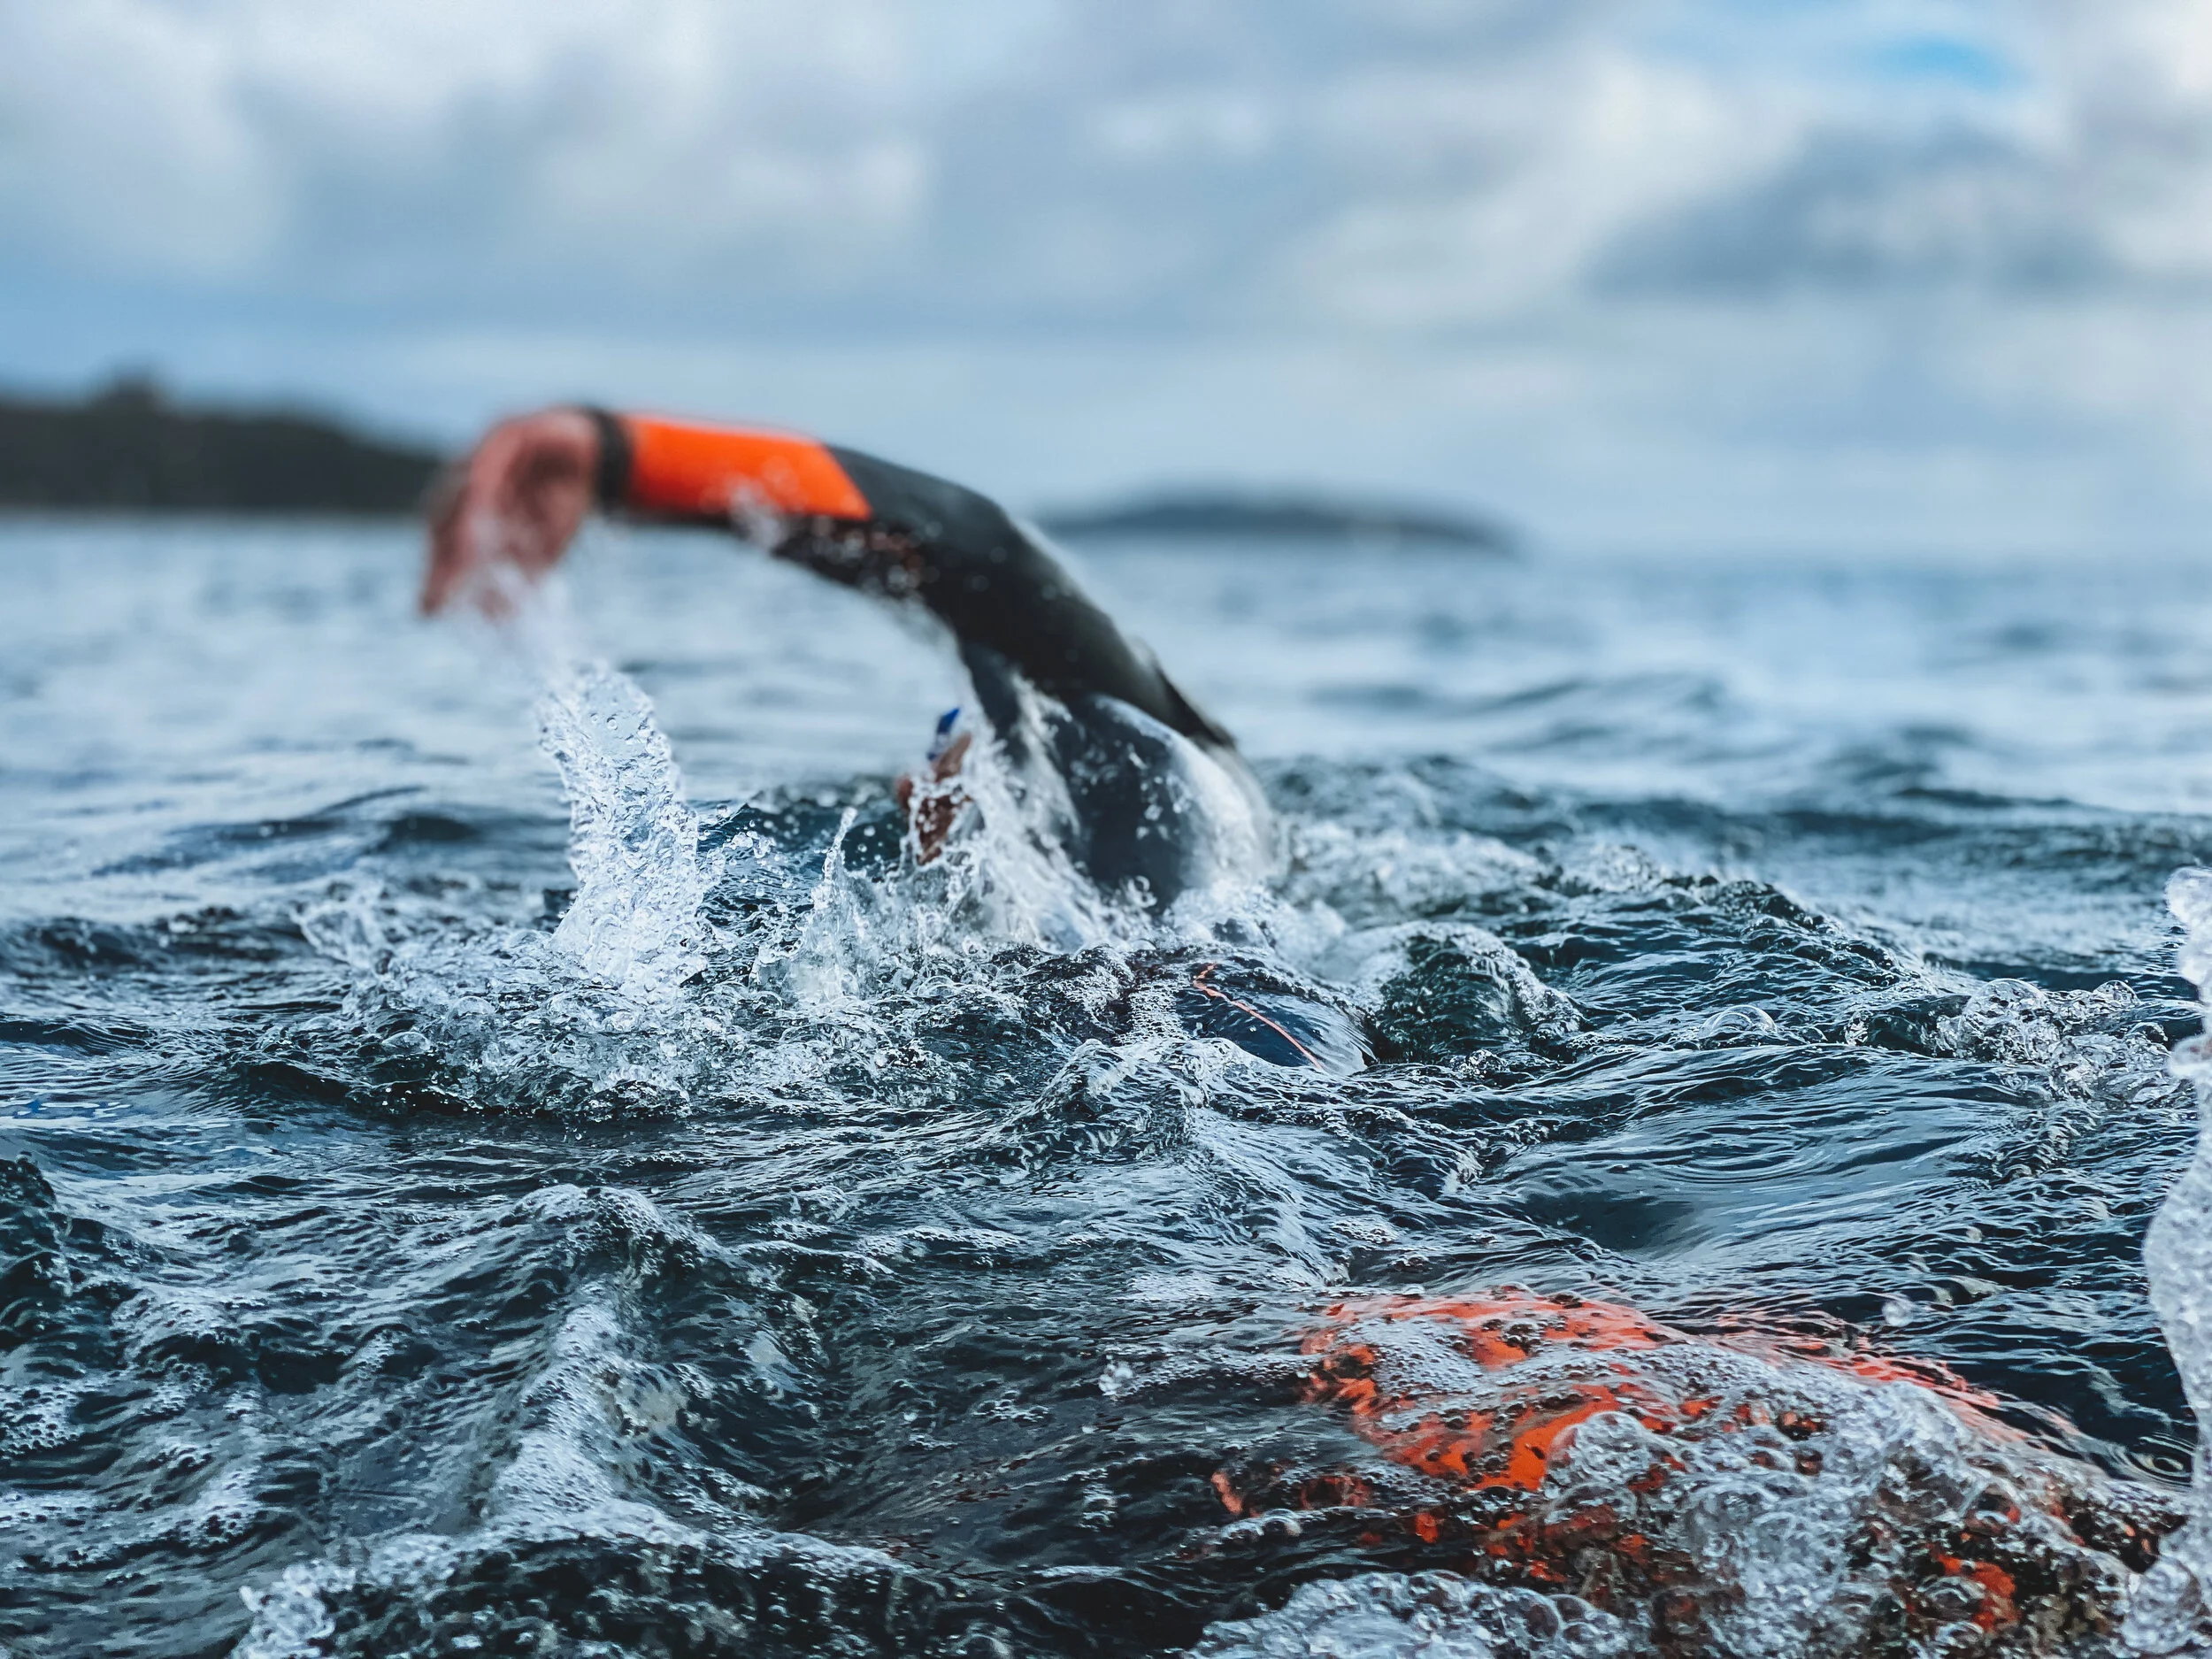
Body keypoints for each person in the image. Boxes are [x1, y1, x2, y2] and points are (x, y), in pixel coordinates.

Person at [422, 406, 1267, 907]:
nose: (917, 781)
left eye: (950, 750)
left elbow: (982, 553)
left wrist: (616, 454)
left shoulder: (1166, 768)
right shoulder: (1210, 846)